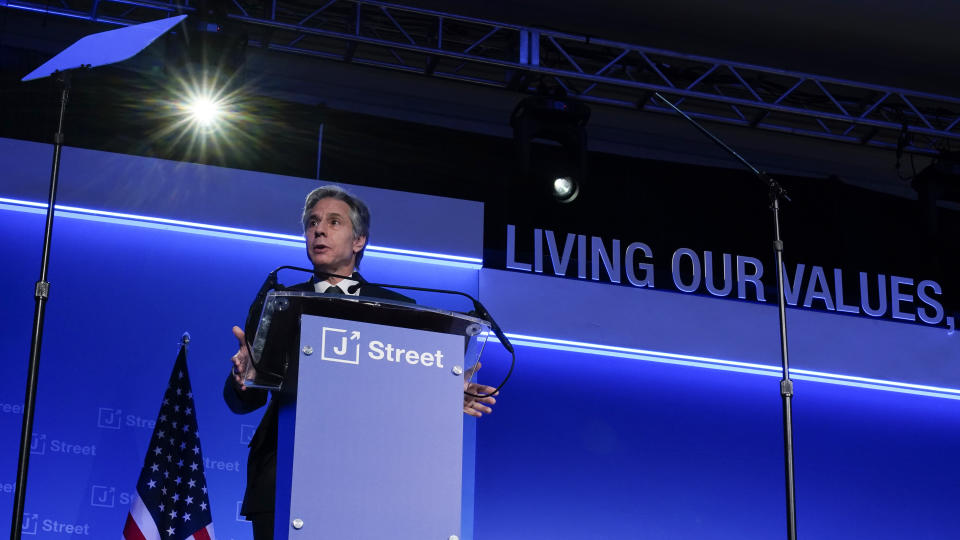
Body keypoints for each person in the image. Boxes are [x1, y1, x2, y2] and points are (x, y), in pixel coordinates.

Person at [223, 185, 498, 540]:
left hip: (372, 486)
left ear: (359, 240)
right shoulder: (279, 303)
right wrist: (243, 378)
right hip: (283, 480)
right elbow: (242, 401)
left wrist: (441, 390)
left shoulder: (399, 310)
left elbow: (404, 394)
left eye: (333, 222)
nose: (318, 230)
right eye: (312, 222)